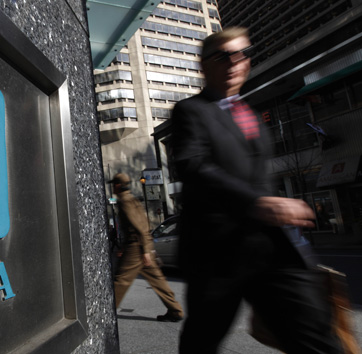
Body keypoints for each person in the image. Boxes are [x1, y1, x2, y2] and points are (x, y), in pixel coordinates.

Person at [170, 27, 343, 353]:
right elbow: (193, 166)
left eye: (243, 54)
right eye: (223, 56)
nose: (235, 62)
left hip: (272, 250)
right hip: (217, 254)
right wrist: (257, 203)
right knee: (202, 341)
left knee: (318, 338)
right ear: (203, 65)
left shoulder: (249, 113)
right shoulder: (190, 111)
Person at [109, 173, 184, 322]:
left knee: (121, 280)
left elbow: (139, 226)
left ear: (118, 185)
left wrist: (144, 251)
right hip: (141, 246)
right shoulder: (131, 199)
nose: (112, 188)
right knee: (158, 280)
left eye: (114, 185)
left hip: (136, 247)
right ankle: (175, 310)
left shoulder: (125, 201)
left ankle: (106, 314)